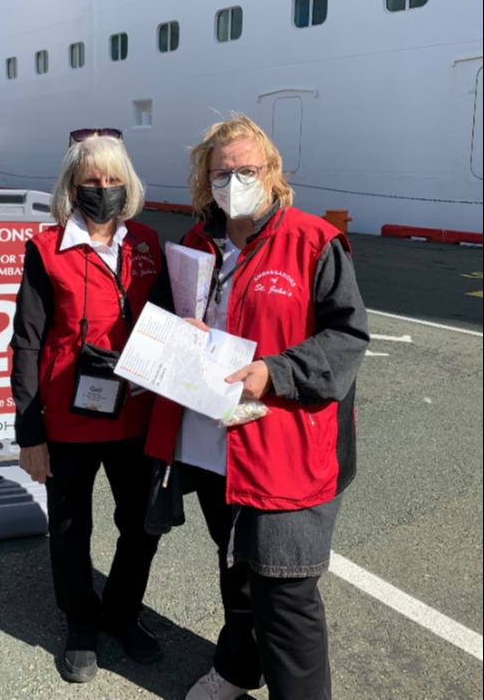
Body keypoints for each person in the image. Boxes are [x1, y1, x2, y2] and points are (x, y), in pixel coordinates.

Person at [145, 113, 370, 700]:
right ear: (205, 180)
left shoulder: (314, 241)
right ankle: (240, 668)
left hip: (286, 450)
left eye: (247, 170)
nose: (234, 182)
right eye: (222, 173)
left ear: (272, 172)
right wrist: (177, 333)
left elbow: (348, 338)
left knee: (287, 594)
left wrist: (276, 371)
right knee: (237, 570)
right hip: (212, 445)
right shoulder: (195, 244)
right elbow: (166, 326)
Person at [10, 129, 165, 684]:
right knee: (72, 528)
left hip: (137, 416)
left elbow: (170, 325)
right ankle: (80, 622)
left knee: (142, 525)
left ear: (129, 185)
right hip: (68, 418)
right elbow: (26, 341)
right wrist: (30, 432)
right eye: (91, 181)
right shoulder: (44, 249)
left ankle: (122, 613)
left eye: (114, 180)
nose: (104, 189)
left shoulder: (147, 243)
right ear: (71, 188)